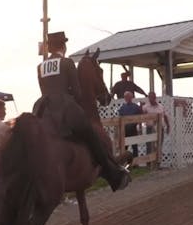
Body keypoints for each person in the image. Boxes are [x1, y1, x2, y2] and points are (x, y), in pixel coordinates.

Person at [33, 31, 130, 192]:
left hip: (43, 109)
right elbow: (77, 92)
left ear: (49, 48)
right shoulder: (67, 62)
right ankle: (113, 176)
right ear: (63, 46)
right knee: (93, 137)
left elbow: (44, 89)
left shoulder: (40, 66)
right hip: (65, 109)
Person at [142, 92, 170, 157]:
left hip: (160, 128)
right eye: (150, 97)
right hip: (150, 128)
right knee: (149, 145)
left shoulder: (160, 106)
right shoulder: (145, 107)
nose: (151, 99)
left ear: (155, 97)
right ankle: (149, 162)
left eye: (152, 97)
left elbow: (165, 116)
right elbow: (142, 117)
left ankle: (158, 163)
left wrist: (168, 126)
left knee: (159, 145)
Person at [118, 91, 143, 158]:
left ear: (131, 97)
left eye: (129, 97)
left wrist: (140, 128)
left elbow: (140, 117)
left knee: (134, 146)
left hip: (133, 128)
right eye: (126, 97)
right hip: (125, 129)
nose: (127, 98)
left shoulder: (136, 107)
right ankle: (124, 162)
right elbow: (120, 118)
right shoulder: (122, 108)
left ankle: (135, 163)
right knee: (124, 147)